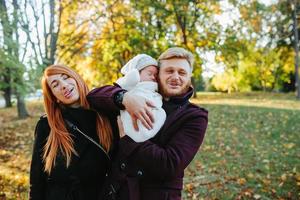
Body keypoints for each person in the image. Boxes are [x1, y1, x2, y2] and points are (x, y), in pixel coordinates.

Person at [87, 47, 208, 200]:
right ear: (158, 75)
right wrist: (124, 98)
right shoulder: (138, 93)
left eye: (182, 72)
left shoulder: (195, 116)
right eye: (169, 71)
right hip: (118, 191)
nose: (175, 77)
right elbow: (93, 96)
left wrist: (127, 140)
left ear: (189, 76)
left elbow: (170, 164)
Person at [29, 64, 117, 200]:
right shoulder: (46, 126)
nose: (63, 85)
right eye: (55, 84)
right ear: (54, 97)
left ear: (76, 79)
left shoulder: (104, 116)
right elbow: (37, 180)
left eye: (66, 77)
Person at [115, 54, 166, 142]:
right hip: (131, 118)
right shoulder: (131, 85)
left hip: (150, 118)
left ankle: (144, 132)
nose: (153, 77)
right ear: (137, 73)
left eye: (155, 75)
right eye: (149, 73)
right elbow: (123, 83)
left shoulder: (157, 88)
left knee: (161, 113)